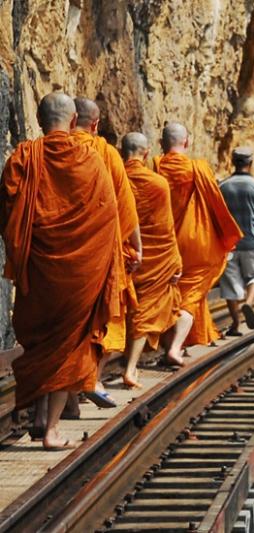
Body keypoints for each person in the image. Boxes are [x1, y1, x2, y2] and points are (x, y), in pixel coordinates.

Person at [0, 92, 125, 449]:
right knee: (69, 345)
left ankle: (40, 416)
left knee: (42, 340)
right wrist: (102, 265)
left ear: (39, 121)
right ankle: (51, 429)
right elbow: (107, 216)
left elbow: (8, 212)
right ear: (73, 123)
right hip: (80, 273)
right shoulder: (91, 158)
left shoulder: (24, 157)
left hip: (37, 271)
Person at [72, 97, 142, 408]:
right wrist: (137, 247)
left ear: (72, 121)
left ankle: (65, 402)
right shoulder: (105, 153)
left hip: (55, 253)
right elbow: (125, 208)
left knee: (62, 327)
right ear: (96, 124)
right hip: (98, 252)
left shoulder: (38, 151)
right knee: (101, 319)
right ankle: (93, 379)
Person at [153, 123, 242, 362]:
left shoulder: (153, 166)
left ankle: (170, 347)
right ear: (187, 143)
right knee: (189, 296)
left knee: (167, 294)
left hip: (163, 244)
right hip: (197, 243)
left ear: (161, 144)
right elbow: (216, 207)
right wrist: (226, 236)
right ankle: (175, 348)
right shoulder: (198, 168)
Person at [120, 132, 186, 386]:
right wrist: (175, 260)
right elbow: (165, 228)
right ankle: (131, 368)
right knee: (144, 312)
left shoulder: (114, 178)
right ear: (146, 153)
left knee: (117, 311)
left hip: (121, 253)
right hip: (153, 258)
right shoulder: (158, 183)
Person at [219, 147, 254, 335]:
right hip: (253, 243)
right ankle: (248, 303)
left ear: (233, 162)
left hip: (229, 244)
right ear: (250, 163)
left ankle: (235, 324)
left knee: (230, 285)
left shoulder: (223, 187)